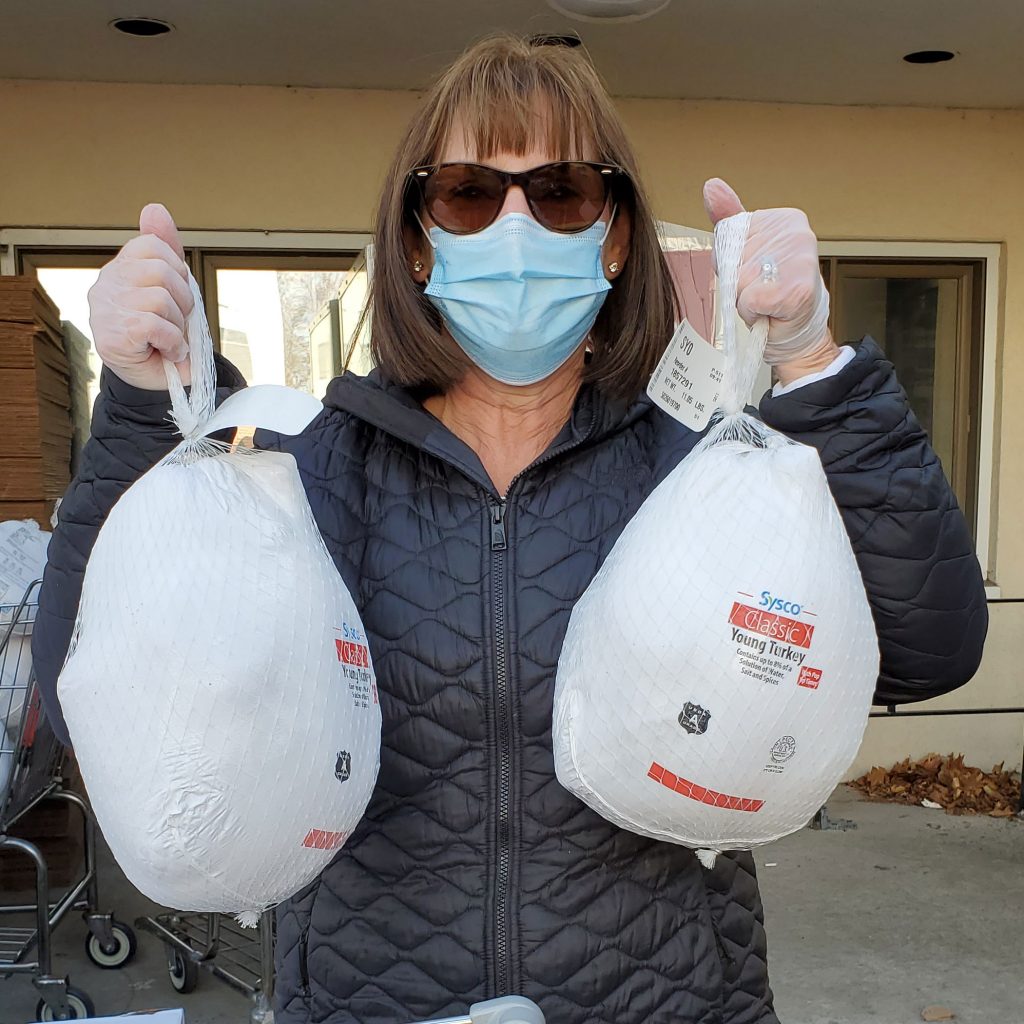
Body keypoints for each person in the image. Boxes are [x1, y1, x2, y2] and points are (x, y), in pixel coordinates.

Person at [32, 34, 987, 1024]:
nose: (517, 226)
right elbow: (103, 715)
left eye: (561, 191)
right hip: (376, 1000)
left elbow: (926, 648)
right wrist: (146, 407)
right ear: (415, 238)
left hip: (666, 999)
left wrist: (814, 366)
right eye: (469, 194)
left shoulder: (699, 467)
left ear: (614, 237)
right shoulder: (313, 470)